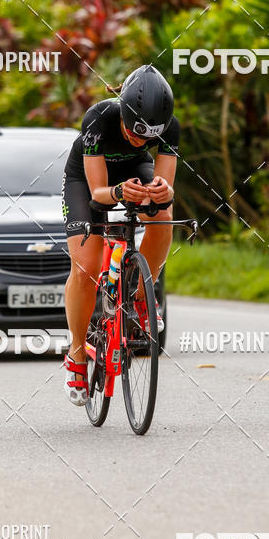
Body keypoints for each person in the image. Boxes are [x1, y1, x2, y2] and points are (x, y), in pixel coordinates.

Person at [61, 64, 179, 406]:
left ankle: (144, 293)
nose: (140, 140)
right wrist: (118, 193)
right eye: (134, 131)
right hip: (86, 182)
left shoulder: (171, 129)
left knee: (164, 214)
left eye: (148, 137)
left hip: (132, 170)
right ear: (123, 112)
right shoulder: (98, 118)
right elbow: (98, 191)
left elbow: (167, 186)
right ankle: (78, 354)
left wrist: (161, 192)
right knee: (84, 268)